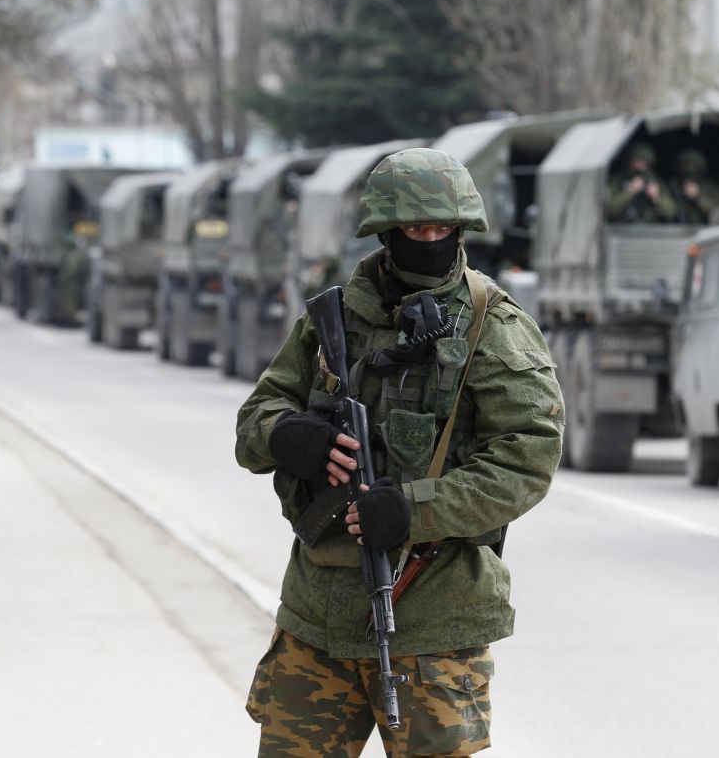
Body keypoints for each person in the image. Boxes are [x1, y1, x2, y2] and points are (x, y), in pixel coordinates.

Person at [234, 148, 563, 757]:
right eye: (416, 229)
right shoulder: (334, 321)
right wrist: (288, 436)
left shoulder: (493, 326)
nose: (432, 241)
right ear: (386, 232)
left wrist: (416, 510)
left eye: (444, 229)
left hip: (433, 616)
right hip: (318, 616)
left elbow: (527, 462)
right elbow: (255, 418)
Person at [605, 141, 677, 222]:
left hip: (652, 230)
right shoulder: (618, 180)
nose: (639, 165)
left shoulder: (656, 181)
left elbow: (671, 214)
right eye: (636, 160)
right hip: (622, 229)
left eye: (643, 162)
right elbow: (609, 210)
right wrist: (629, 192)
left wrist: (656, 197)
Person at [668, 149, 719, 225]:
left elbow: (717, 213)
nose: (689, 170)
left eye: (693, 167)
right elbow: (670, 212)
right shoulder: (675, 186)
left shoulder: (708, 187)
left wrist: (697, 197)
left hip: (705, 230)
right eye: (686, 167)